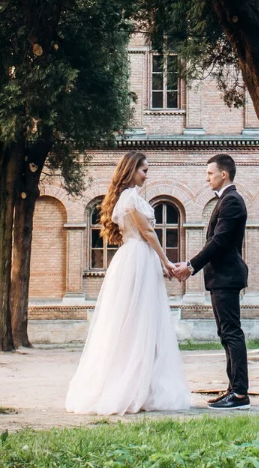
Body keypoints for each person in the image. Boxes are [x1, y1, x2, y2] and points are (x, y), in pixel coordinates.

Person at [65, 151, 192, 414]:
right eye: (144, 170)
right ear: (131, 170)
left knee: (135, 319)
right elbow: (146, 232)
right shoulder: (131, 198)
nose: (147, 175)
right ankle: (131, 386)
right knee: (138, 319)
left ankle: (140, 385)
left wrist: (158, 261)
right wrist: (166, 261)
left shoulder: (126, 197)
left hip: (135, 257)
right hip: (137, 258)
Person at [171, 153, 249, 409]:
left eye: (210, 174)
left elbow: (219, 241)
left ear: (223, 174)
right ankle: (233, 389)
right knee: (226, 333)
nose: (207, 179)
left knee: (231, 333)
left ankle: (239, 394)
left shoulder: (232, 201)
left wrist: (191, 266)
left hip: (226, 277)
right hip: (221, 278)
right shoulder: (226, 201)